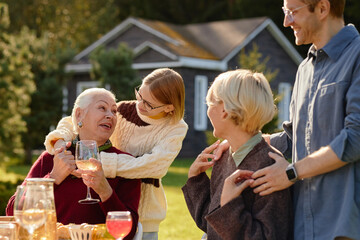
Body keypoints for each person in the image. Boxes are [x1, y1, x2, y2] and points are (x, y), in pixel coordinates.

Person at [245, 1, 360, 239]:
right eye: (285, 13)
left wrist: (290, 172)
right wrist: (242, 143)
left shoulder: (357, 56)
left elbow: (355, 138)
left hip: (345, 226)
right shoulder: (304, 68)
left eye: (292, 12)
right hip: (303, 227)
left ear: (322, 8)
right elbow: (295, 136)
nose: (286, 22)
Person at [44, 68, 188, 240]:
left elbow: (153, 166)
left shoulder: (176, 128)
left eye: (149, 104)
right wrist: (59, 140)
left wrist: (95, 160)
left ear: (169, 107)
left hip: (146, 213)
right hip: (115, 193)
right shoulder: (121, 110)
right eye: (139, 95)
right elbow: (75, 119)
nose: (140, 105)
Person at [6, 88, 141, 240]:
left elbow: (129, 233)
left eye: (114, 111)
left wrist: (105, 191)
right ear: (79, 115)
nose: (110, 115)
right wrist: (53, 178)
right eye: (102, 108)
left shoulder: (125, 163)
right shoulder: (52, 157)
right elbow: (12, 212)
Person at [182, 69, 293, 240]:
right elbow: (213, 226)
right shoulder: (225, 156)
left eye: (210, 105)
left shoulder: (269, 168)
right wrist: (196, 181)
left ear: (224, 110)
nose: (208, 112)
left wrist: (230, 206)